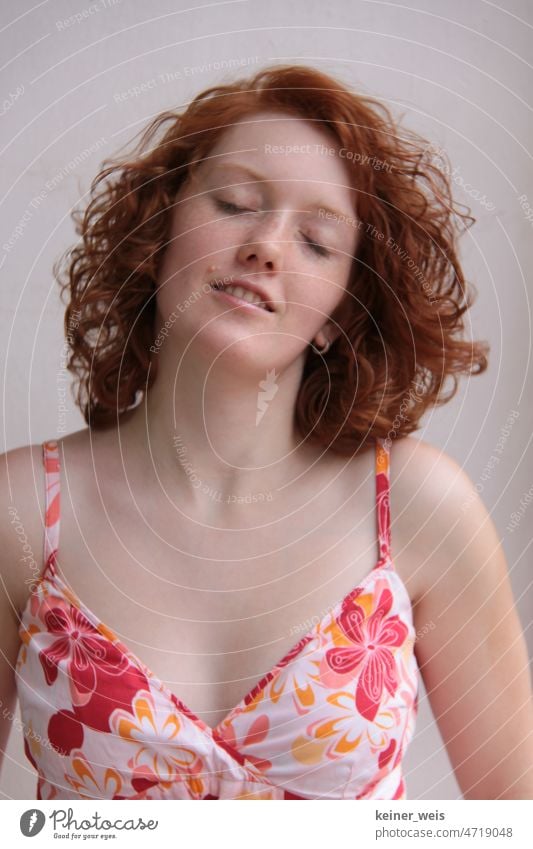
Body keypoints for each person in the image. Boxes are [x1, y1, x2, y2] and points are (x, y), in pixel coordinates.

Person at [1, 64, 532, 801]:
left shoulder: (419, 509)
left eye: (317, 241)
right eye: (234, 202)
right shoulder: (22, 510)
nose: (267, 246)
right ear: (158, 229)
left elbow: (516, 813)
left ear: (344, 310)